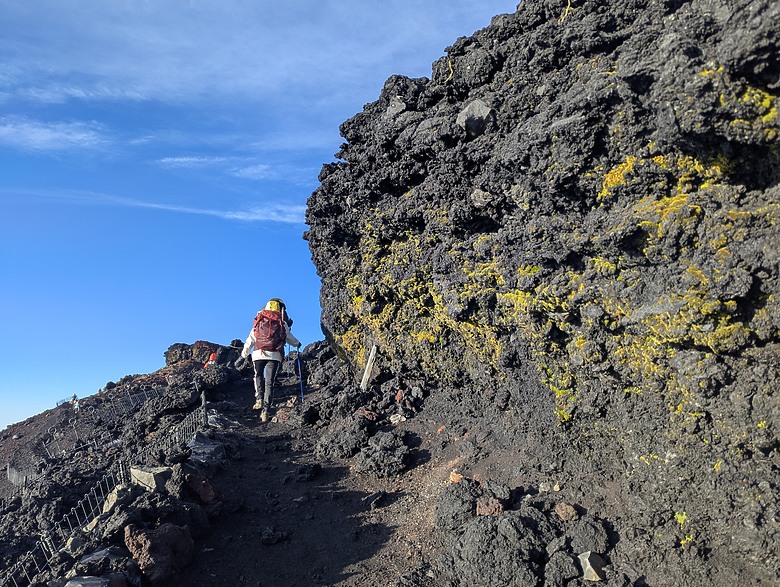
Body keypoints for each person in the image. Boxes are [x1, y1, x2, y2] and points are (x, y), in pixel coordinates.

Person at [237, 298, 301, 422]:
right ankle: (266, 411)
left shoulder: (259, 320)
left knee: (258, 376)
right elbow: (289, 337)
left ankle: (259, 399)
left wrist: (243, 355)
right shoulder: (282, 322)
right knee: (270, 382)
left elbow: (251, 339)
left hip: (258, 353)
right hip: (275, 355)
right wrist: (297, 344)